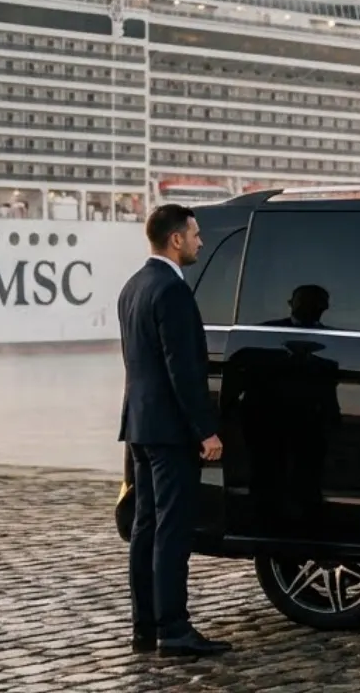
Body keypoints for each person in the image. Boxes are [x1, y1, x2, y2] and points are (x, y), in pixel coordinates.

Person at [117, 203, 231, 657]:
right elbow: (182, 370)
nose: (201, 241)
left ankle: (144, 628)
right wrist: (205, 430)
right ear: (176, 239)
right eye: (196, 234)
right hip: (169, 432)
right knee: (172, 530)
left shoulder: (133, 287)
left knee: (146, 528)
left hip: (140, 425)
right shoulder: (172, 291)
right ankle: (175, 629)